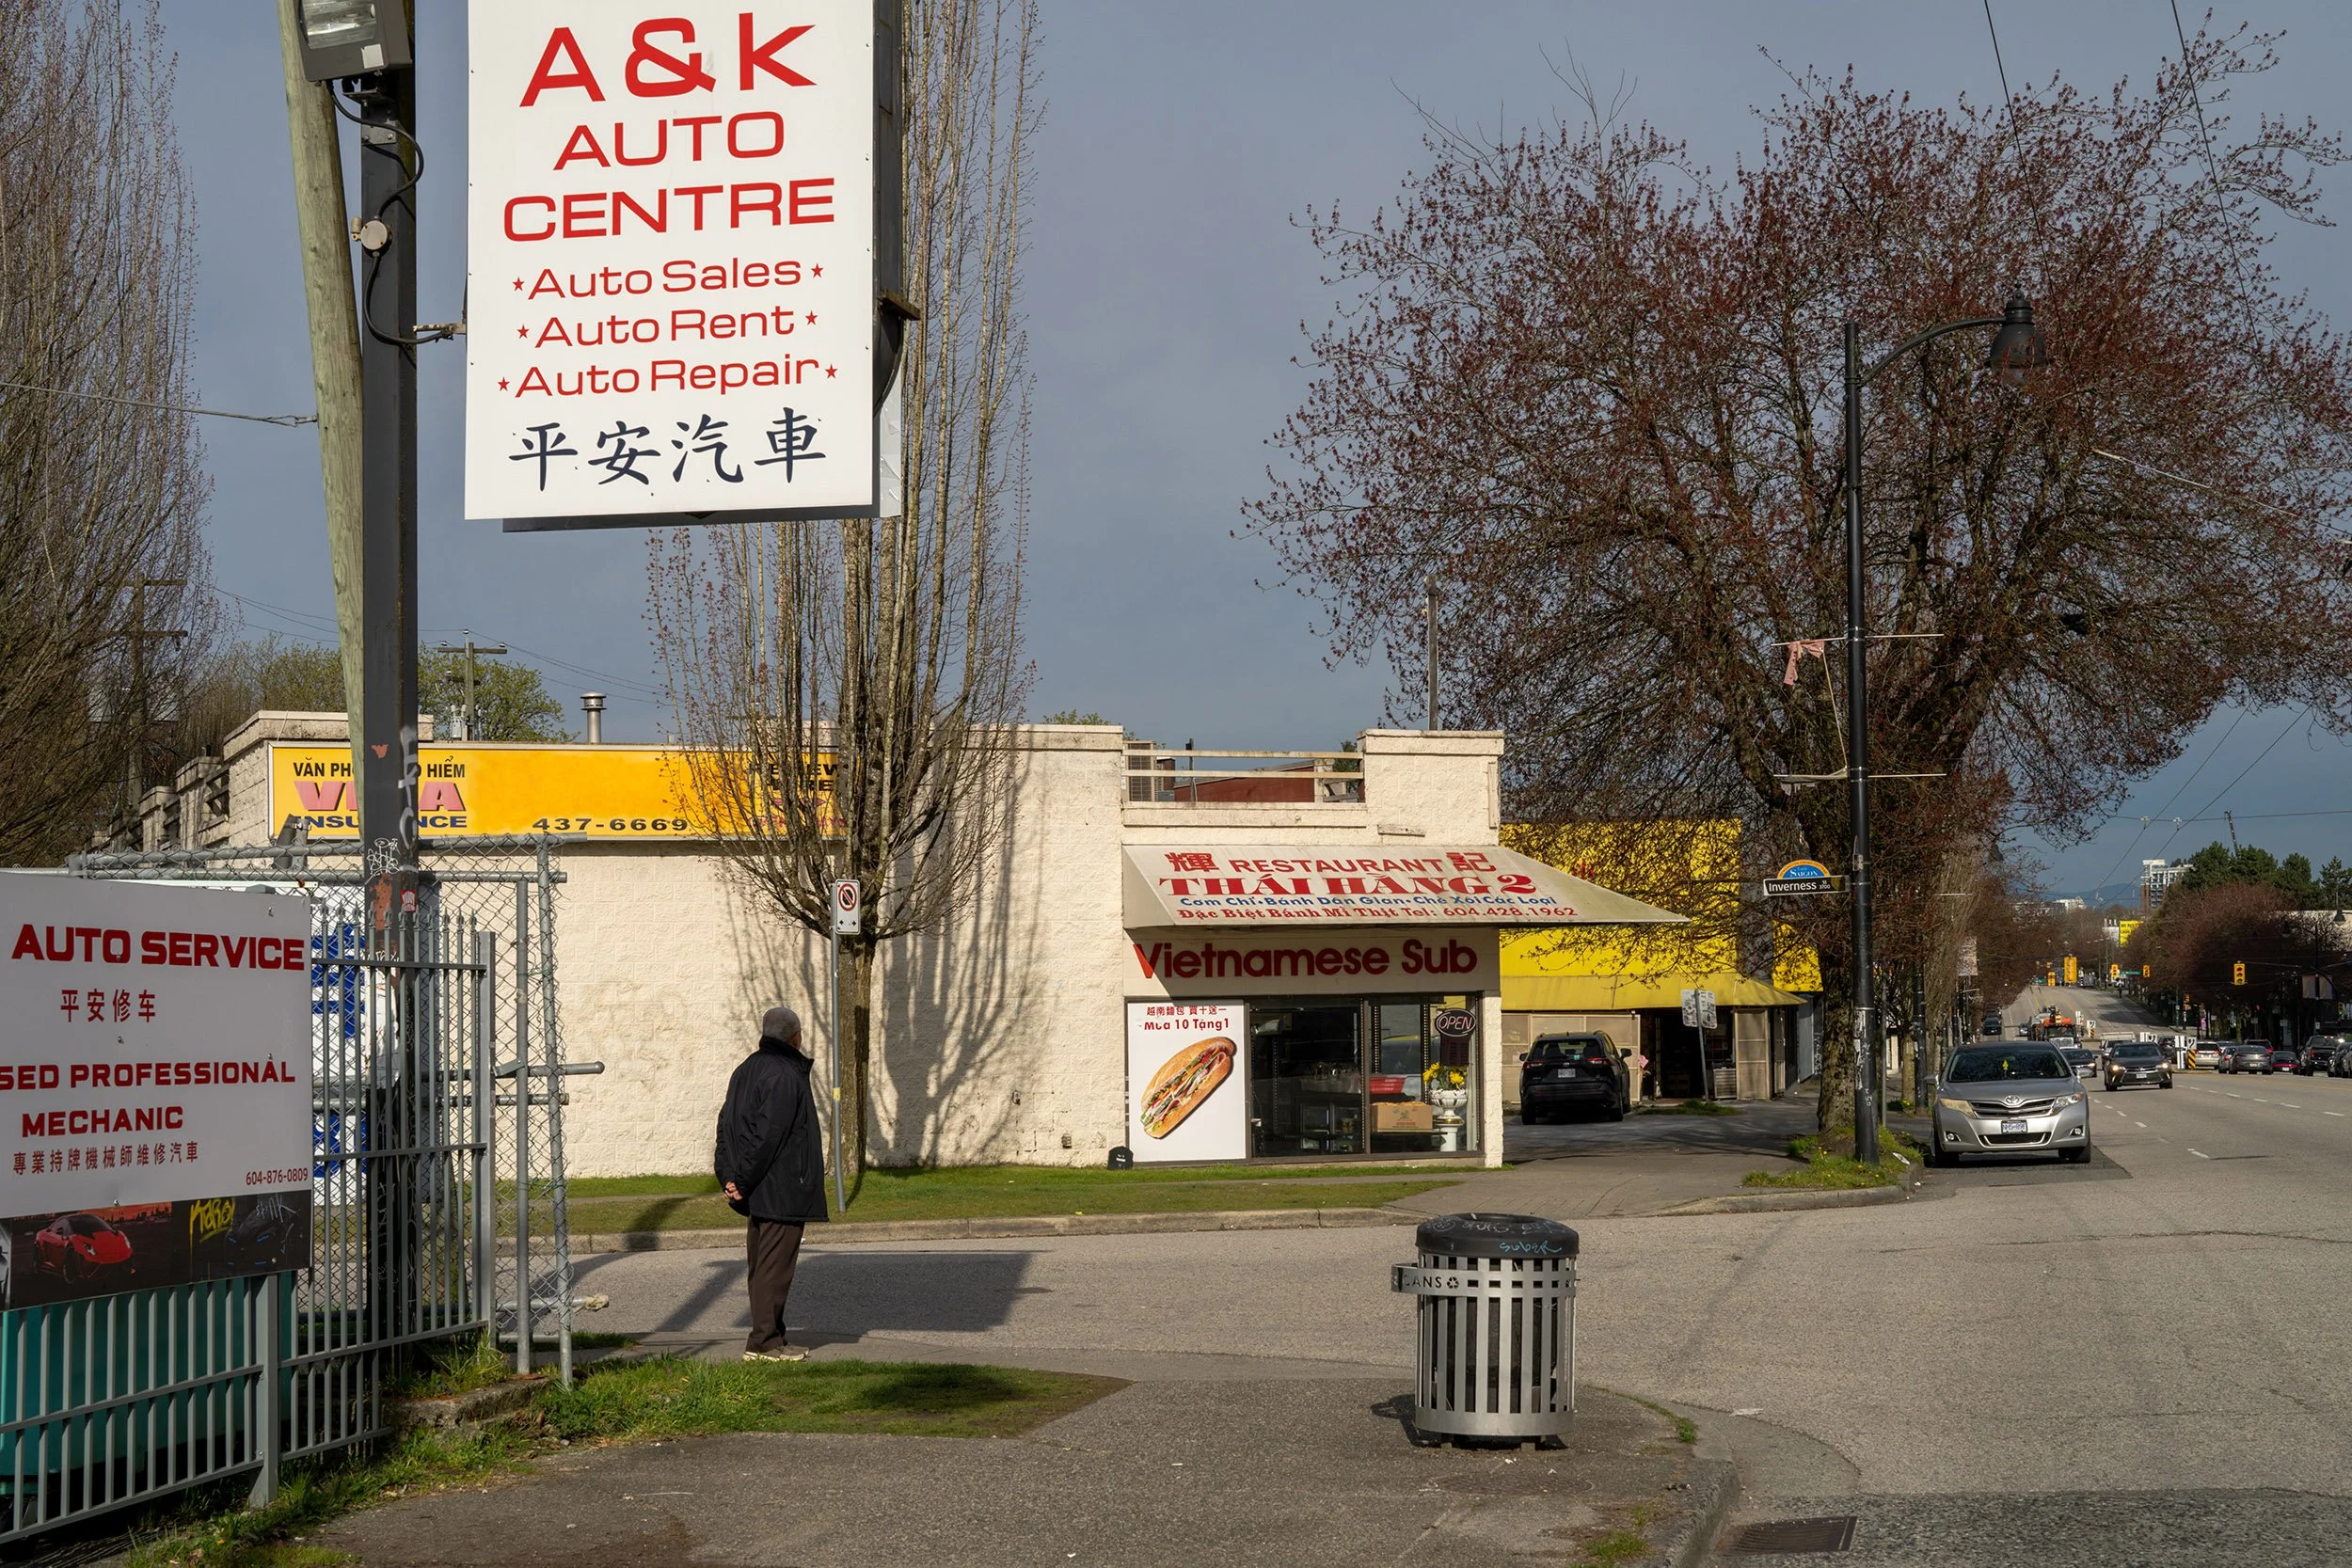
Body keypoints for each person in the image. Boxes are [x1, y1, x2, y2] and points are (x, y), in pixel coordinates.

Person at [715, 1005, 828, 1361]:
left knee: (764, 1267)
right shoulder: (783, 1074)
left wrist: (730, 1176)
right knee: (773, 1269)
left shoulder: (746, 1070)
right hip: (779, 1186)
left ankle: (773, 1337)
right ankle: (763, 1342)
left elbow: (727, 1126)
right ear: (796, 1036)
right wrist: (741, 1179)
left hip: (759, 1184)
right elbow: (769, 1136)